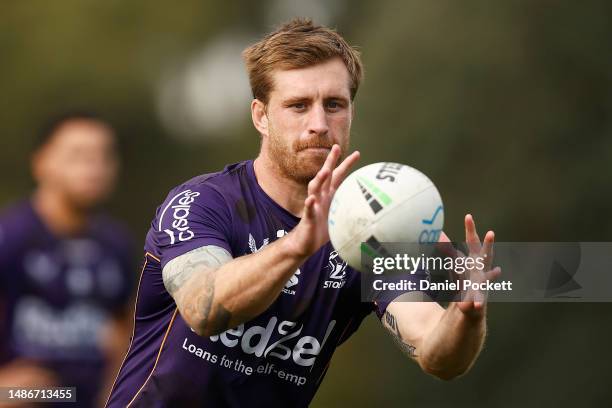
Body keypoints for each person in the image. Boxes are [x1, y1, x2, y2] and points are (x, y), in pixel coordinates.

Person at [106, 19, 499, 407]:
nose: (319, 125)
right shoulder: (202, 203)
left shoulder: (369, 231)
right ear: (260, 116)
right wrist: (298, 244)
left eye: (334, 105)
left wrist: (465, 316)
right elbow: (203, 308)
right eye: (298, 106)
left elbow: (435, 351)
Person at [0, 112, 135, 407]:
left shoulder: (116, 244)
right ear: (40, 163)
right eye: (78, 156)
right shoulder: (10, 237)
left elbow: (125, 335)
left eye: (104, 156)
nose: (94, 167)